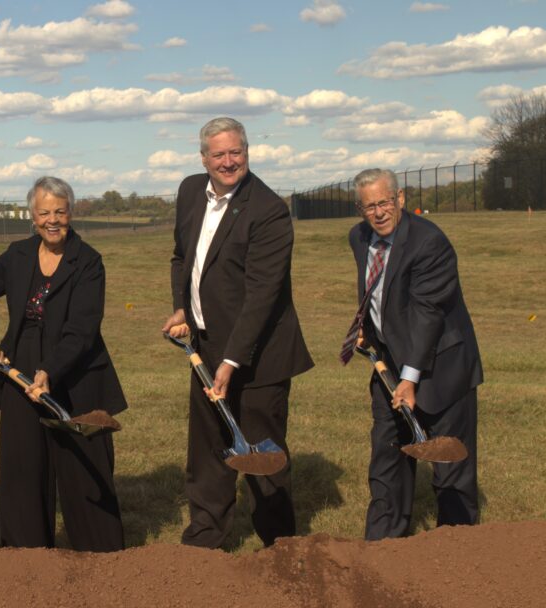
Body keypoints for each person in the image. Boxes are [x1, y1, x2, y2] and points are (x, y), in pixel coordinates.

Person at [162, 117, 313, 549]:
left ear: (247, 152)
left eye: (237, 152)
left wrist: (231, 362)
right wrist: (182, 308)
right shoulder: (191, 191)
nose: (229, 162)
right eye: (219, 154)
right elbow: (182, 258)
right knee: (208, 449)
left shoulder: (268, 210)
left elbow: (262, 296)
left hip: (260, 355)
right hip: (205, 345)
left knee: (262, 455)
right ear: (204, 158)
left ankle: (280, 545)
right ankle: (205, 540)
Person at [0, 176, 125, 552]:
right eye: (44, 212)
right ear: (33, 217)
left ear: (71, 213)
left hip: (77, 371)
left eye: (60, 211)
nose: (53, 220)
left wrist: (49, 370)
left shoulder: (88, 262)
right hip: (20, 372)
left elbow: (82, 331)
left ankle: (103, 558)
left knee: (84, 470)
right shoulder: (17, 255)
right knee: (23, 472)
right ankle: (26, 559)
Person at [344, 168, 483, 540]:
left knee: (450, 465)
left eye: (385, 202)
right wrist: (367, 328)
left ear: (400, 199)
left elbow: (427, 314)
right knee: (387, 458)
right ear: (360, 208)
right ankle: (383, 548)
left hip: (442, 367)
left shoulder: (429, 242)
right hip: (390, 365)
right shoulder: (359, 237)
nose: (379, 212)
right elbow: (380, 291)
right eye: (370, 206)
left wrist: (410, 378)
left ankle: (458, 548)